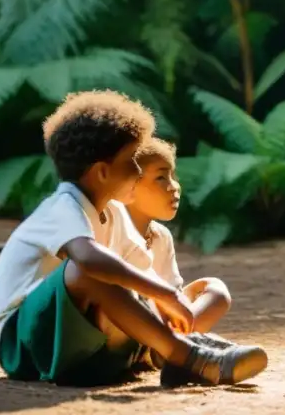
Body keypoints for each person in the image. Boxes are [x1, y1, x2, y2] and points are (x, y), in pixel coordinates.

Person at [0, 90, 266, 386]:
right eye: (132, 160)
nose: (138, 170)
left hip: (82, 342)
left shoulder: (114, 213)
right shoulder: (62, 207)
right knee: (86, 269)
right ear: (102, 172)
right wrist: (165, 295)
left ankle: (165, 349)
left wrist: (170, 300)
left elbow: (141, 271)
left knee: (211, 289)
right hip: (19, 342)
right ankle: (187, 356)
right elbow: (89, 260)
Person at [114, 138, 252, 384]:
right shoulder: (110, 228)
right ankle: (187, 350)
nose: (174, 187)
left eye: (173, 176)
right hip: (122, 325)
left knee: (215, 290)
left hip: (158, 326)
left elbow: (172, 297)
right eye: (161, 178)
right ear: (129, 186)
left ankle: (174, 349)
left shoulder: (160, 236)